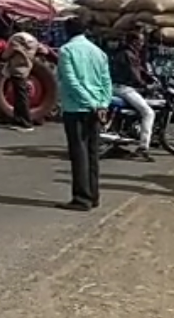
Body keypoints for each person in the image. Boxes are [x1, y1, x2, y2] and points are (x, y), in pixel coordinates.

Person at [57, 17, 113, 211]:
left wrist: (90, 104)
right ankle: (93, 194)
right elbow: (107, 82)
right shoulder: (98, 52)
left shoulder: (66, 51)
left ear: (67, 31)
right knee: (92, 153)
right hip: (97, 107)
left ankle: (82, 198)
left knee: (79, 154)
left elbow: (71, 82)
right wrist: (102, 104)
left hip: (76, 108)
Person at [110, 30, 157, 162]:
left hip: (121, 87)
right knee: (148, 113)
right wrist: (145, 86)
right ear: (134, 42)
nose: (142, 44)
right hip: (123, 88)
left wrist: (151, 79)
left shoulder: (130, 53)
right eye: (140, 41)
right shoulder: (127, 54)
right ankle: (143, 148)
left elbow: (140, 70)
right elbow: (133, 74)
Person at [2, 26, 41, 132]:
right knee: (20, 97)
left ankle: (26, 123)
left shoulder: (15, 41)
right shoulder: (32, 40)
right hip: (26, 69)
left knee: (21, 98)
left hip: (17, 70)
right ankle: (18, 121)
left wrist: (4, 54)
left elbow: (6, 55)